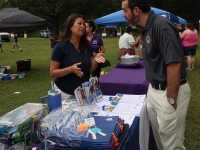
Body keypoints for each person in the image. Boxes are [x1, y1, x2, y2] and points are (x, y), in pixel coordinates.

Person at [121, 0, 191, 150]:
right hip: (154, 91)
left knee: (172, 144)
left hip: (170, 91)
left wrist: (171, 99)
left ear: (136, 11)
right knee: (161, 141)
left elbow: (174, 63)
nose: (123, 15)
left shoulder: (161, 25)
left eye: (125, 11)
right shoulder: (147, 28)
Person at [50, 13, 105, 101]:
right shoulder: (60, 46)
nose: (83, 26)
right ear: (70, 26)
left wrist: (95, 61)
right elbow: (52, 72)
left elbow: (91, 70)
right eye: (79, 24)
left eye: (84, 24)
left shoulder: (87, 45)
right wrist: (70, 69)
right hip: (64, 93)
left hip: (83, 93)